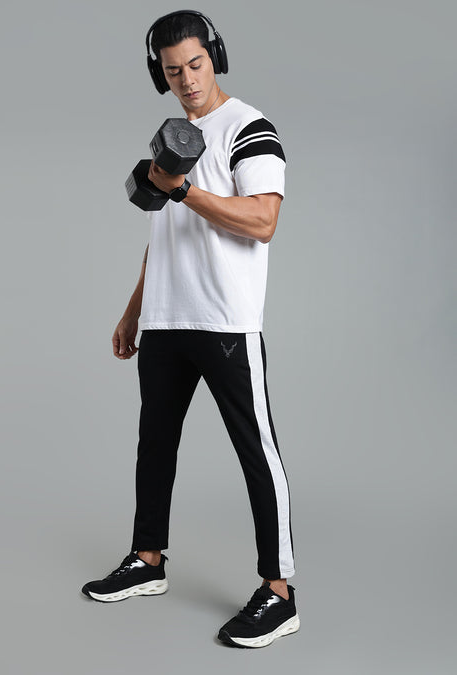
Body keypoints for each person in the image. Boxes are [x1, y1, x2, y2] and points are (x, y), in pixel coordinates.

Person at [81, 10, 299, 648]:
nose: (188, 80)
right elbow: (165, 237)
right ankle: (147, 560)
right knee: (155, 445)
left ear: (215, 57)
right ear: (160, 75)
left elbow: (262, 220)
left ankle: (280, 592)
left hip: (225, 321)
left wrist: (182, 190)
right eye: (173, 71)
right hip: (165, 319)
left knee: (257, 453)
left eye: (196, 64)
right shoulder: (170, 138)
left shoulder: (249, 128)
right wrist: (134, 309)